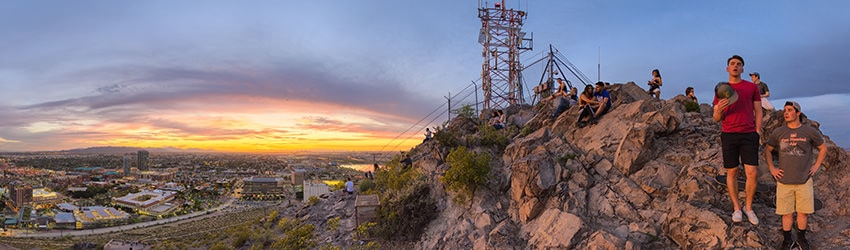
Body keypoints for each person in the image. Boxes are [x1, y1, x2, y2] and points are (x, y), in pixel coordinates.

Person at [765, 101, 826, 250]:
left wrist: (816, 165)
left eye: (790, 110)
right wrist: (772, 169)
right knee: (786, 214)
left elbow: (823, 147)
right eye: (785, 110)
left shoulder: (809, 132)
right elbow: (768, 150)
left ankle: (801, 238)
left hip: (804, 180)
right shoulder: (778, 132)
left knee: (802, 213)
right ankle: (787, 240)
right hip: (784, 181)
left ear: (798, 113)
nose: (786, 113)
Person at [713, 55, 763, 225]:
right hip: (729, 134)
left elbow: (758, 109)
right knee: (732, 172)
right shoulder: (721, 89)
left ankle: (748, 207)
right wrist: (719, 108)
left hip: (749, 134)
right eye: (732, 64)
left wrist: (757, 130)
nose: (735, 66)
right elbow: (716, 117)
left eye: (739, 64)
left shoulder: (751, 88)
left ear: (742, 69)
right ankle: (736, 208)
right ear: (727, 68)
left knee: (752, 173)